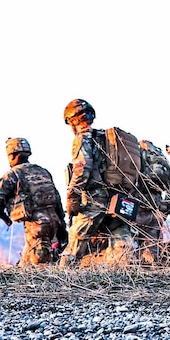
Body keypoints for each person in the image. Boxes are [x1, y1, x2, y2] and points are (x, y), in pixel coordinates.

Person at [59, 99, 136, 266]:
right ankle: (125, 275)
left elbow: (82, 168)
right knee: (121, 238)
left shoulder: (82, 138)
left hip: (95, 198)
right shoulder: (105, 138)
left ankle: (60, 277)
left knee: (77, 239)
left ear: (72, 120)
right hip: (118, 196)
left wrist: (73, 195)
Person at [0, 137, 68, 265]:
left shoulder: (12, 174)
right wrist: (62, 225)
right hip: (55, 223)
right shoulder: (43, 172)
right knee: (27, 264)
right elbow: (57, 200)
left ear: (11, 155)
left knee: (40, 269)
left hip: (36, 227)